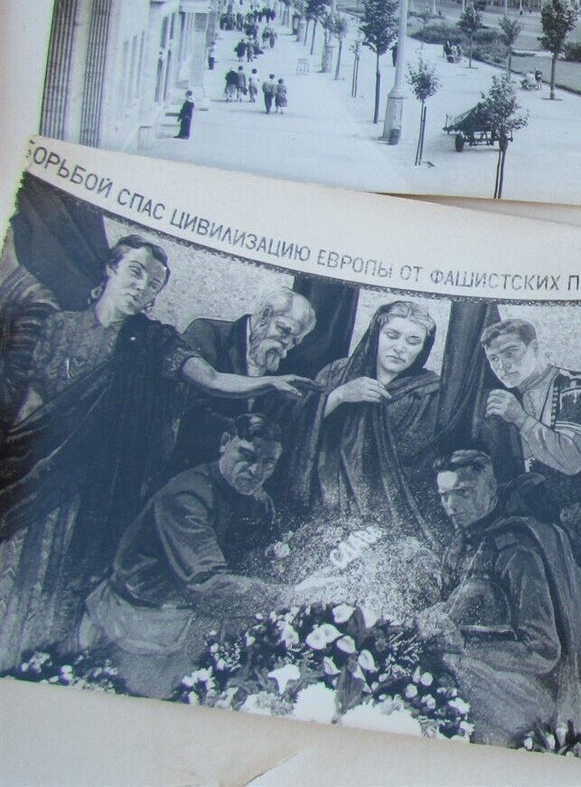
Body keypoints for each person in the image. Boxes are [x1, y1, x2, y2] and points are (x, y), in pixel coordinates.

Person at [0, 236, 308, 669]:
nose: (143, 289)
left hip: (97, 482)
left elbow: (211, 379)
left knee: (75, 572)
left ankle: (49, 663)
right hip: (38, 476)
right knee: (21, 567)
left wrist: (268, 383)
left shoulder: (155, 341)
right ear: (111, 268)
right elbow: (32, 405)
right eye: (136, 273)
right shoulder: (58, 326)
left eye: (154, 286)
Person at [78, 414, 296, 697]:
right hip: (138, 628)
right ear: (224, 443)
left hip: (192, 620)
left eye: (268, 463)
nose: (256, 471)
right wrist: (289, 596)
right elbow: (206, 585)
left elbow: (261, 558)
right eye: (247, 455)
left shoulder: (259, 502)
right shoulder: (187, 495)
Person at [417, 450, 581, 748]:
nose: (451, 506)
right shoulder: (460, 546)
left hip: (527, 695)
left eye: (462, 493)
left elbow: (544, 651)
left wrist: (467, 647)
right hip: (479, 679)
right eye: (443, 495)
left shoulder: (517, 551)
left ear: (490, 489)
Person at [285, 301, 444, 544]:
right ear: (375, 335)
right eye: (392, 335)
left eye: (412, 342)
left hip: (388, 513)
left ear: (422, 349)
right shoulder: (337, 373)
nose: (400, 348)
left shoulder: (429, 392)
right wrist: (339, 396)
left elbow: (420, 462)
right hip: (325, 506)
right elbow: (294, 432)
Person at [475, 319, 581, 523]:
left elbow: (572, 460)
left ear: (534, 348)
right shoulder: (507, 398)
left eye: (510, 352)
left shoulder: (577, 385)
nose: (502, 366)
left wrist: (520, 419)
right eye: (494, 358)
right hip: (533, 526)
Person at [172, 289, 317, 471]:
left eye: (295, 341)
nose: (286, 345)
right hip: (191, 466)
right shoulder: (208, 333)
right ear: (265, 316)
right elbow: (188, 413)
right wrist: (247, 430)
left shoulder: (285, 364)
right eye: (284, 330)